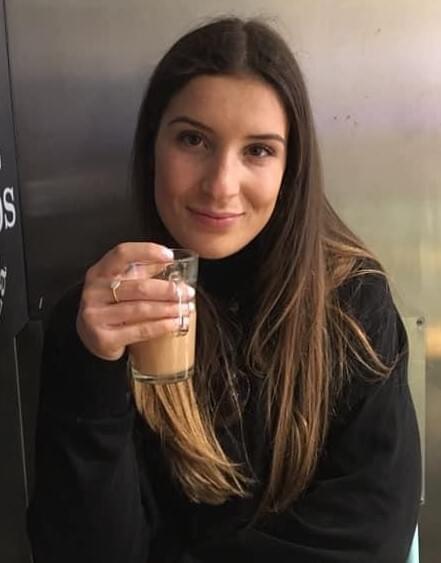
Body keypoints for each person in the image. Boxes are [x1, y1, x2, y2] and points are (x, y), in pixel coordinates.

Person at [27, 16, 421, 563]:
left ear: (291, 168)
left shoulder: (351, 302)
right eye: (193, 139)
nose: (220, 185)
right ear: (152, 146)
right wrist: (92, 368)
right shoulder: (100, 320)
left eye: (258, 150)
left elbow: (371, 534)